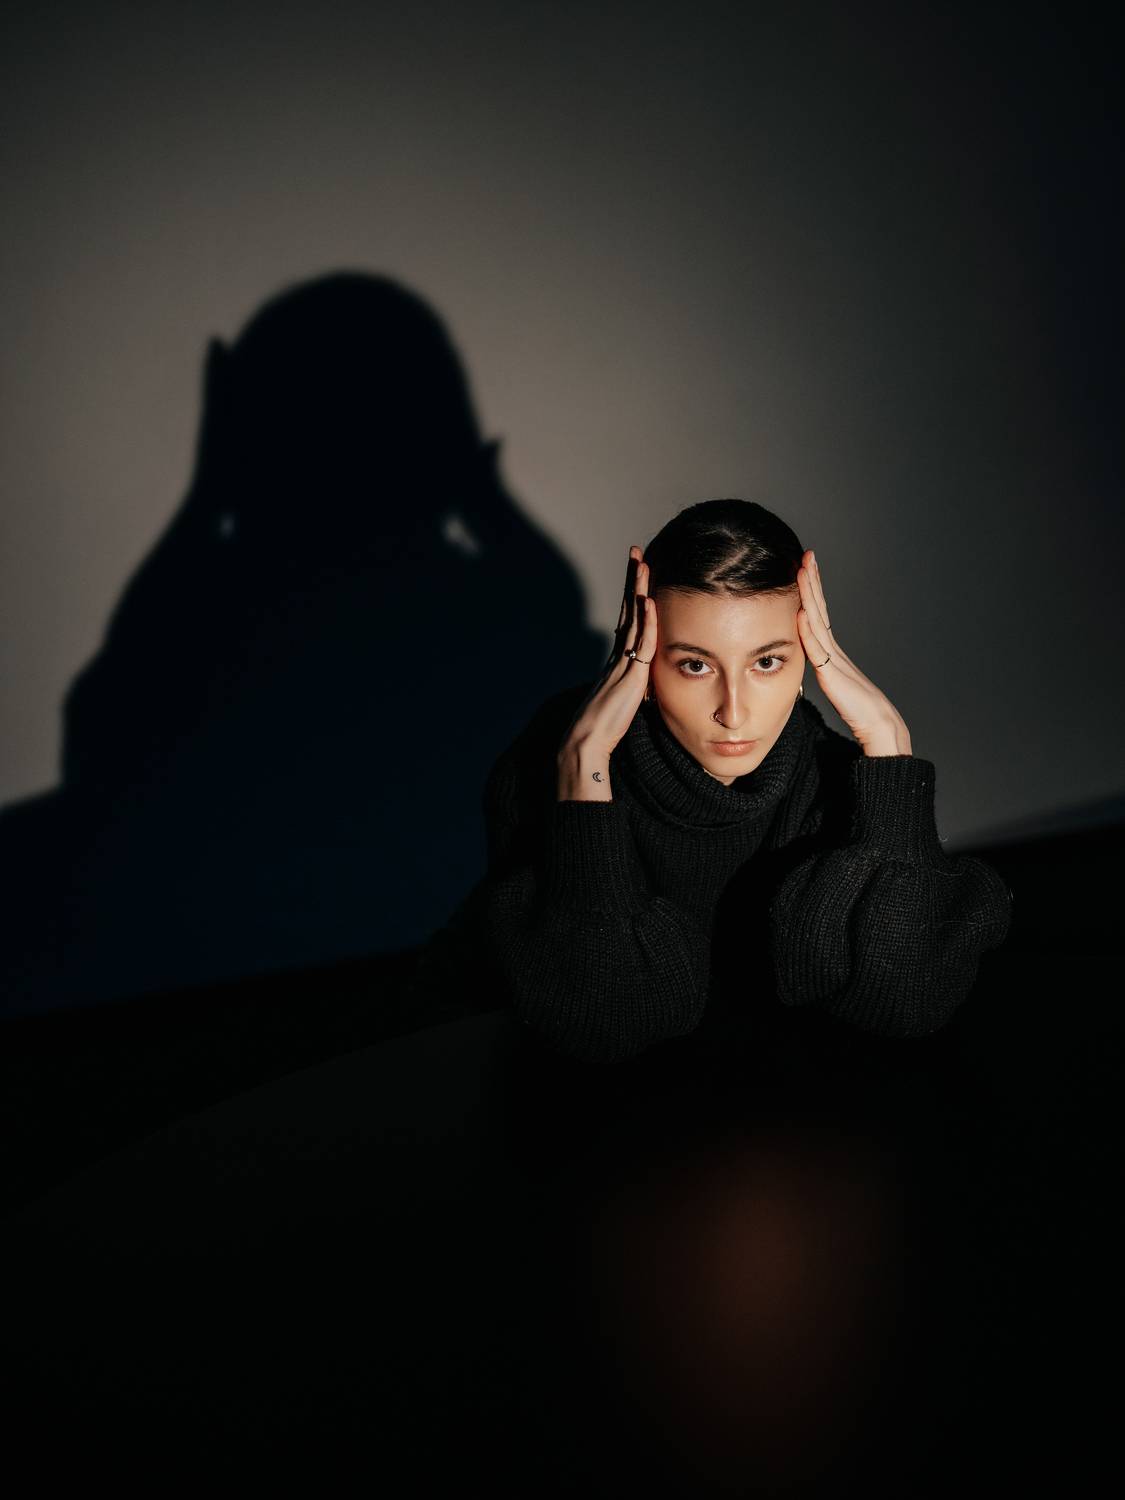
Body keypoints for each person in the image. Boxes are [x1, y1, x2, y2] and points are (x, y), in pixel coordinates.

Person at [404, 497, 1012, 1076]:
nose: (734, 711)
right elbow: (598, 1026)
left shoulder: (835, 779)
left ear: (809, 655)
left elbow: (908, 1002)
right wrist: (584, 766)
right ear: (644, 659)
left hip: (772, 1110)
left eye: (767, 662)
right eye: (695, 665)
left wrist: (889, 742)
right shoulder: (554, 765)